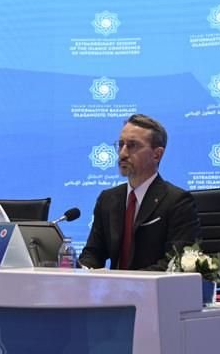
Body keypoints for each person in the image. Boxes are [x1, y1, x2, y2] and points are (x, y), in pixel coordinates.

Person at [79, 114, 201, 271]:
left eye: (132, 146)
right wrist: (83, 270)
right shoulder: (108, 199)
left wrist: (125, 281)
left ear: (157, 154)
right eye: (121, 145)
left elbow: (175, 263)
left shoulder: (177, 202)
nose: (122, 153)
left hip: (153, 287)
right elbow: (93, 253)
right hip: (115, 286)